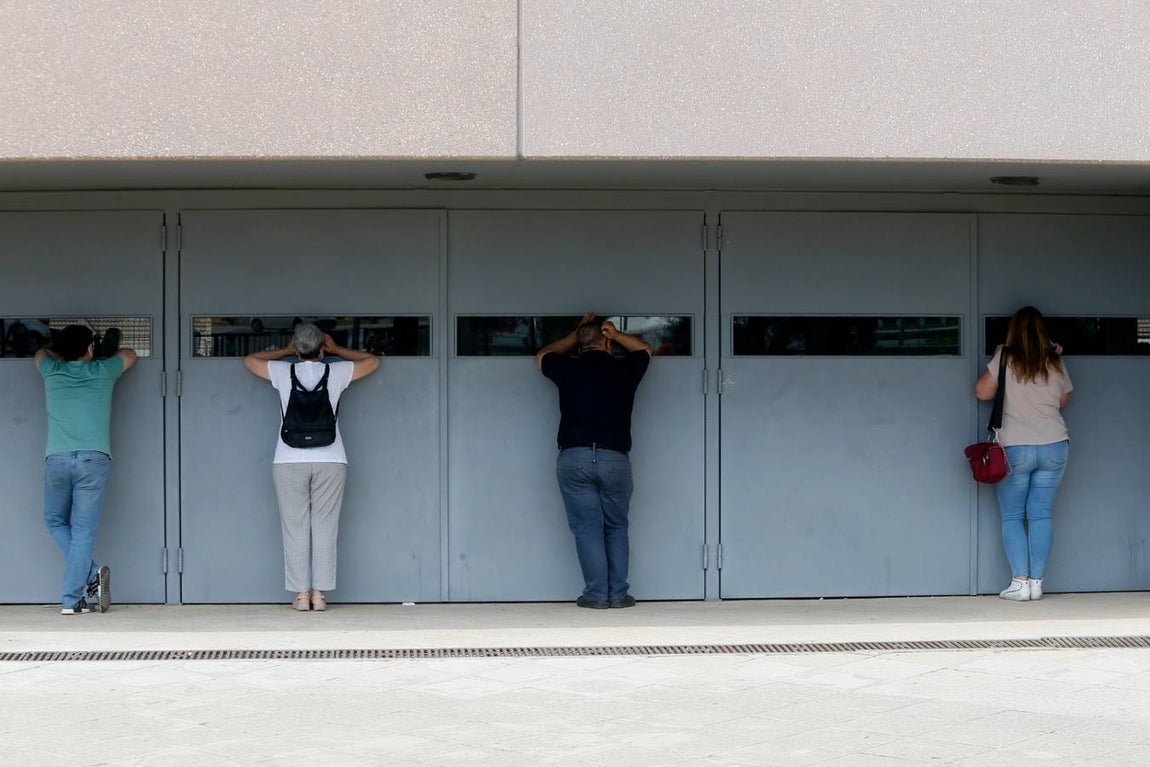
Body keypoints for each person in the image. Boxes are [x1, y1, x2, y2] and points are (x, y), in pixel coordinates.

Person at [244, 323, 379, 611]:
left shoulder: (283, 372)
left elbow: (250, 361)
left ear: (298, 347)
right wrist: (338, 350)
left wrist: (286, 350)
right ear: (322, 348)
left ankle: (301, 596)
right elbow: (372, 361)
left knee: (294, 527)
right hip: (331, 458)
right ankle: (319, 595)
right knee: (325, 527)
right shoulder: (338, 371)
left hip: (288, 459)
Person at [537, 312, 652, 609]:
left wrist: (577, 333)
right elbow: (644, 351)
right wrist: (615, 334)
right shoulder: (625, 368)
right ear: (608, 344)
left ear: (579, 345)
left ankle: (596, 595)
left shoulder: (567, 368)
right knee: (616, 526)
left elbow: (544, 354)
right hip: (615, 458)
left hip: (574, 458)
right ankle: (618, 594)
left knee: (587, 528)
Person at [35, 324, 137, 614]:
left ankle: (87, 580)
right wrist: (102, 356)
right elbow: (130, 354)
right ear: (90, 348)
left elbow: (40, 352)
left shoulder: (51, 371)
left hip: (57, 458)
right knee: (83, 531)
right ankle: (75, 594)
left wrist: (62, 353)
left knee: (55, 521)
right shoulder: (104, 372)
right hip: (94, 459)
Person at [975, 306, 1073, 602]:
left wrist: (997, 356)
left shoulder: (1004, 357)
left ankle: (1020, 582)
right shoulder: (1054, 361)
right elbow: (1064, 398)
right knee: (1041, 514)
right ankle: (1038, 583)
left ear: (1013, 331)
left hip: (1015, 448)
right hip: (1055, 445)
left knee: (1013, 516)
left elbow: (982, 393)